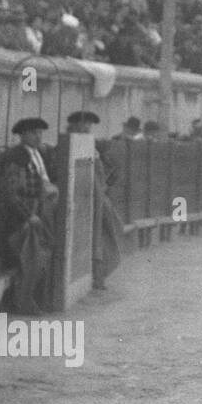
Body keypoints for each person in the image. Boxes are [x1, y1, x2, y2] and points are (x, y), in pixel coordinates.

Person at [0, 118, 59, 313]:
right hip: (23, 218)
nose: (38, 136)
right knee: (33, 257)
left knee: (41, 255)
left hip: (40, 211)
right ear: (23, 135)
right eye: (34, 132)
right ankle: (24, 302)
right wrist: (27, 216)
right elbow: (11, 193)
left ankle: (34, 300)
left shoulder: (38, 153)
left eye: (40, 132)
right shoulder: (16, 157)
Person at [67, 111, 124, 291]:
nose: (87, 128)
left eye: (89, 125)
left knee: (104, 232)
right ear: (74, 125)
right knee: (95, 235)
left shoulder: (93, 146)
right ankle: (96, 277)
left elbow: (110, 170)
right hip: (82, 200)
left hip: (98, 198)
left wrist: (105, 186)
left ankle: (99, 275)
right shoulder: (69, 144)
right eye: (84, 124)